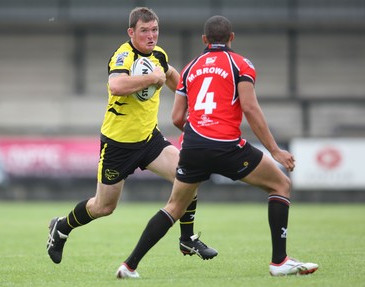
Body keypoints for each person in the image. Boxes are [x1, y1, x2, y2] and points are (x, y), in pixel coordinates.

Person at [116, 15, 318, 278]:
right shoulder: (241, 64)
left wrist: (200, 137)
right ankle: (279, 262)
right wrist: (275, 150)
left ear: (204, 40)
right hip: (227, 146)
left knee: (174, 207)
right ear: (232, 38)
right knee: (281, 185)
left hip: (193, 146)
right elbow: (250, 107)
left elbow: (177, 118)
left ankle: (129, 266)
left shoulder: (190, 68)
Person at [46, 7, 217, 266]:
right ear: (131, 32)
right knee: (103, 207)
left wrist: (189, 100)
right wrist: (152, 78)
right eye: (144, 31)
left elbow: (171, 75)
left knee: (188, 174)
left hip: (149, 140)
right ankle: (61, 227)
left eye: (155, 30)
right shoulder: (123, 55)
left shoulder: (158, 55)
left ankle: (187, 238)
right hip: (118, 144)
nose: (151, 36)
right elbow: (116, 85)